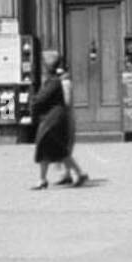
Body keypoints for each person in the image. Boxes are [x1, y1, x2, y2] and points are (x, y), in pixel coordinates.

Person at [31, 50, 88, 189]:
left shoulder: (54, 81)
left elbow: (41, 99)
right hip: (50, 118)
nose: (43, 67)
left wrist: (32, 99)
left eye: (44, 65)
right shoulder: (52, 81)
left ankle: (78, 174)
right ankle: (43, 179)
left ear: (48, 67)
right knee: (47, 148)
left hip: (53, 120)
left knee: (54, 148)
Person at [54, 59, 78, 185]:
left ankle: (75, 175)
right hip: (65, 118)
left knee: (63, 146)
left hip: (64, 119)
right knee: (64, 146)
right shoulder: (63, 82)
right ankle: (66, 174)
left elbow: (67, 102)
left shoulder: (64, 83)